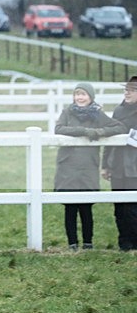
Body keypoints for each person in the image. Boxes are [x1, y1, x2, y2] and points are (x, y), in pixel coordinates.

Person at [55, 83, 126, 250]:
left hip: (88, 166)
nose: (79, 97)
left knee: (86, 207)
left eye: (83, 94)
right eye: (77, 94)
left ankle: (88, 243)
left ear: (91, 97)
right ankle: (72, 243)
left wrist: (99, 132)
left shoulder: (98, 114)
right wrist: (84, 131)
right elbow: (59, 129)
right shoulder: (67, 112)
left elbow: (119, 127)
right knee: (70, 207)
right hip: (68, 166)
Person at [103, 76, 137, 251]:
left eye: (132, 90)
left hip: (134, 167)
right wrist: (105, 164)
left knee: (133, 207)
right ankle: (124, 241)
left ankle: (134, 241)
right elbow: (111, 136)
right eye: (126, 90)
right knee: (119, 207)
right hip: (117, 165)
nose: (127, 93)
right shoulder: (118, 111)